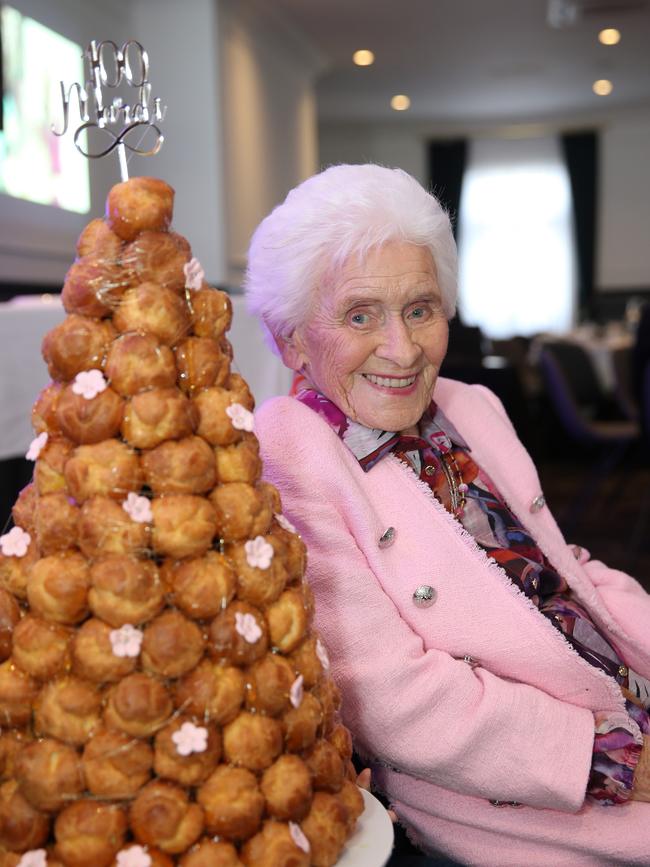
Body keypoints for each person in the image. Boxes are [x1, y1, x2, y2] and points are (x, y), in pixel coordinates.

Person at [246, 164, 650, 866]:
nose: (402, 350)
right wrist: (611, 758)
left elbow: (562, 565)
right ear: (291, 342)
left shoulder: (472, 406)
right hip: (537, 785)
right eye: (360, 314)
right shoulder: (290, 449)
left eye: (421, 308)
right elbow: (389, 696)